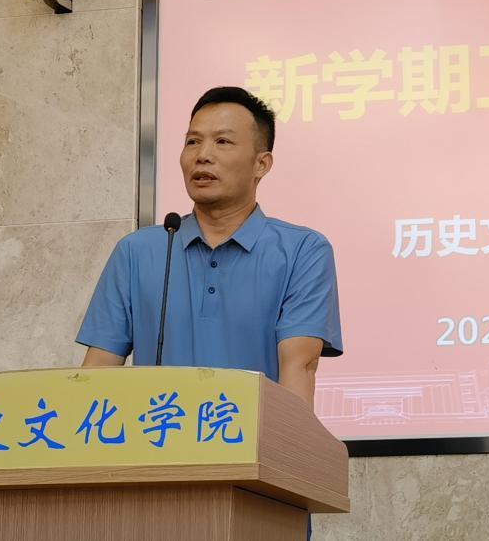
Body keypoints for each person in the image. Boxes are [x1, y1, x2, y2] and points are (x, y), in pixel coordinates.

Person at [76, 86, 343, 408]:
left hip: (252, 438)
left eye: (222, 142)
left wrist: (288, 440)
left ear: (261, 164)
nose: (202, 155)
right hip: (157, 432)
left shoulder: (302, 251)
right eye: (192, 141)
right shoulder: (136, 251)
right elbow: (98, 370)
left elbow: (300, 367)